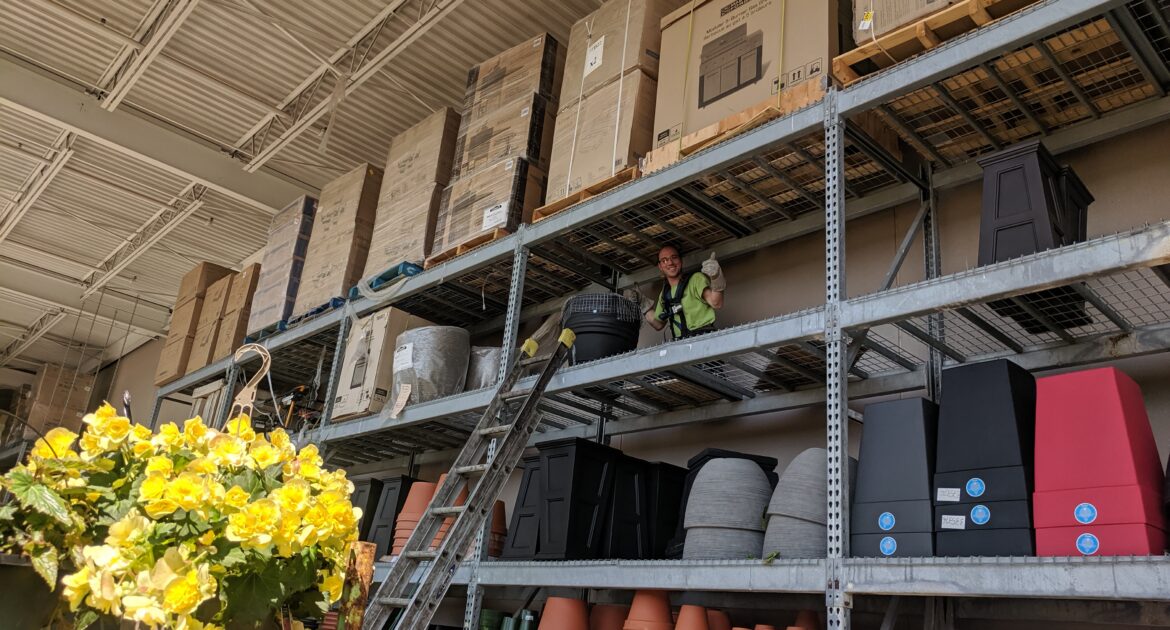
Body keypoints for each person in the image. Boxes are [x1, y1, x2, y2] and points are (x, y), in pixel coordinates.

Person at [641, 245, 725, 339]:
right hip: (681, 344)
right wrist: (643, 304)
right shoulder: (665, 293)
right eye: (664, 260)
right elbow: (658, 324)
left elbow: (716, 303)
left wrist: (716, 277)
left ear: (681, 260)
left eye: (674, 257)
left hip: (704, 337)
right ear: (660, 266)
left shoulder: (695, 279)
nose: (670, 263)